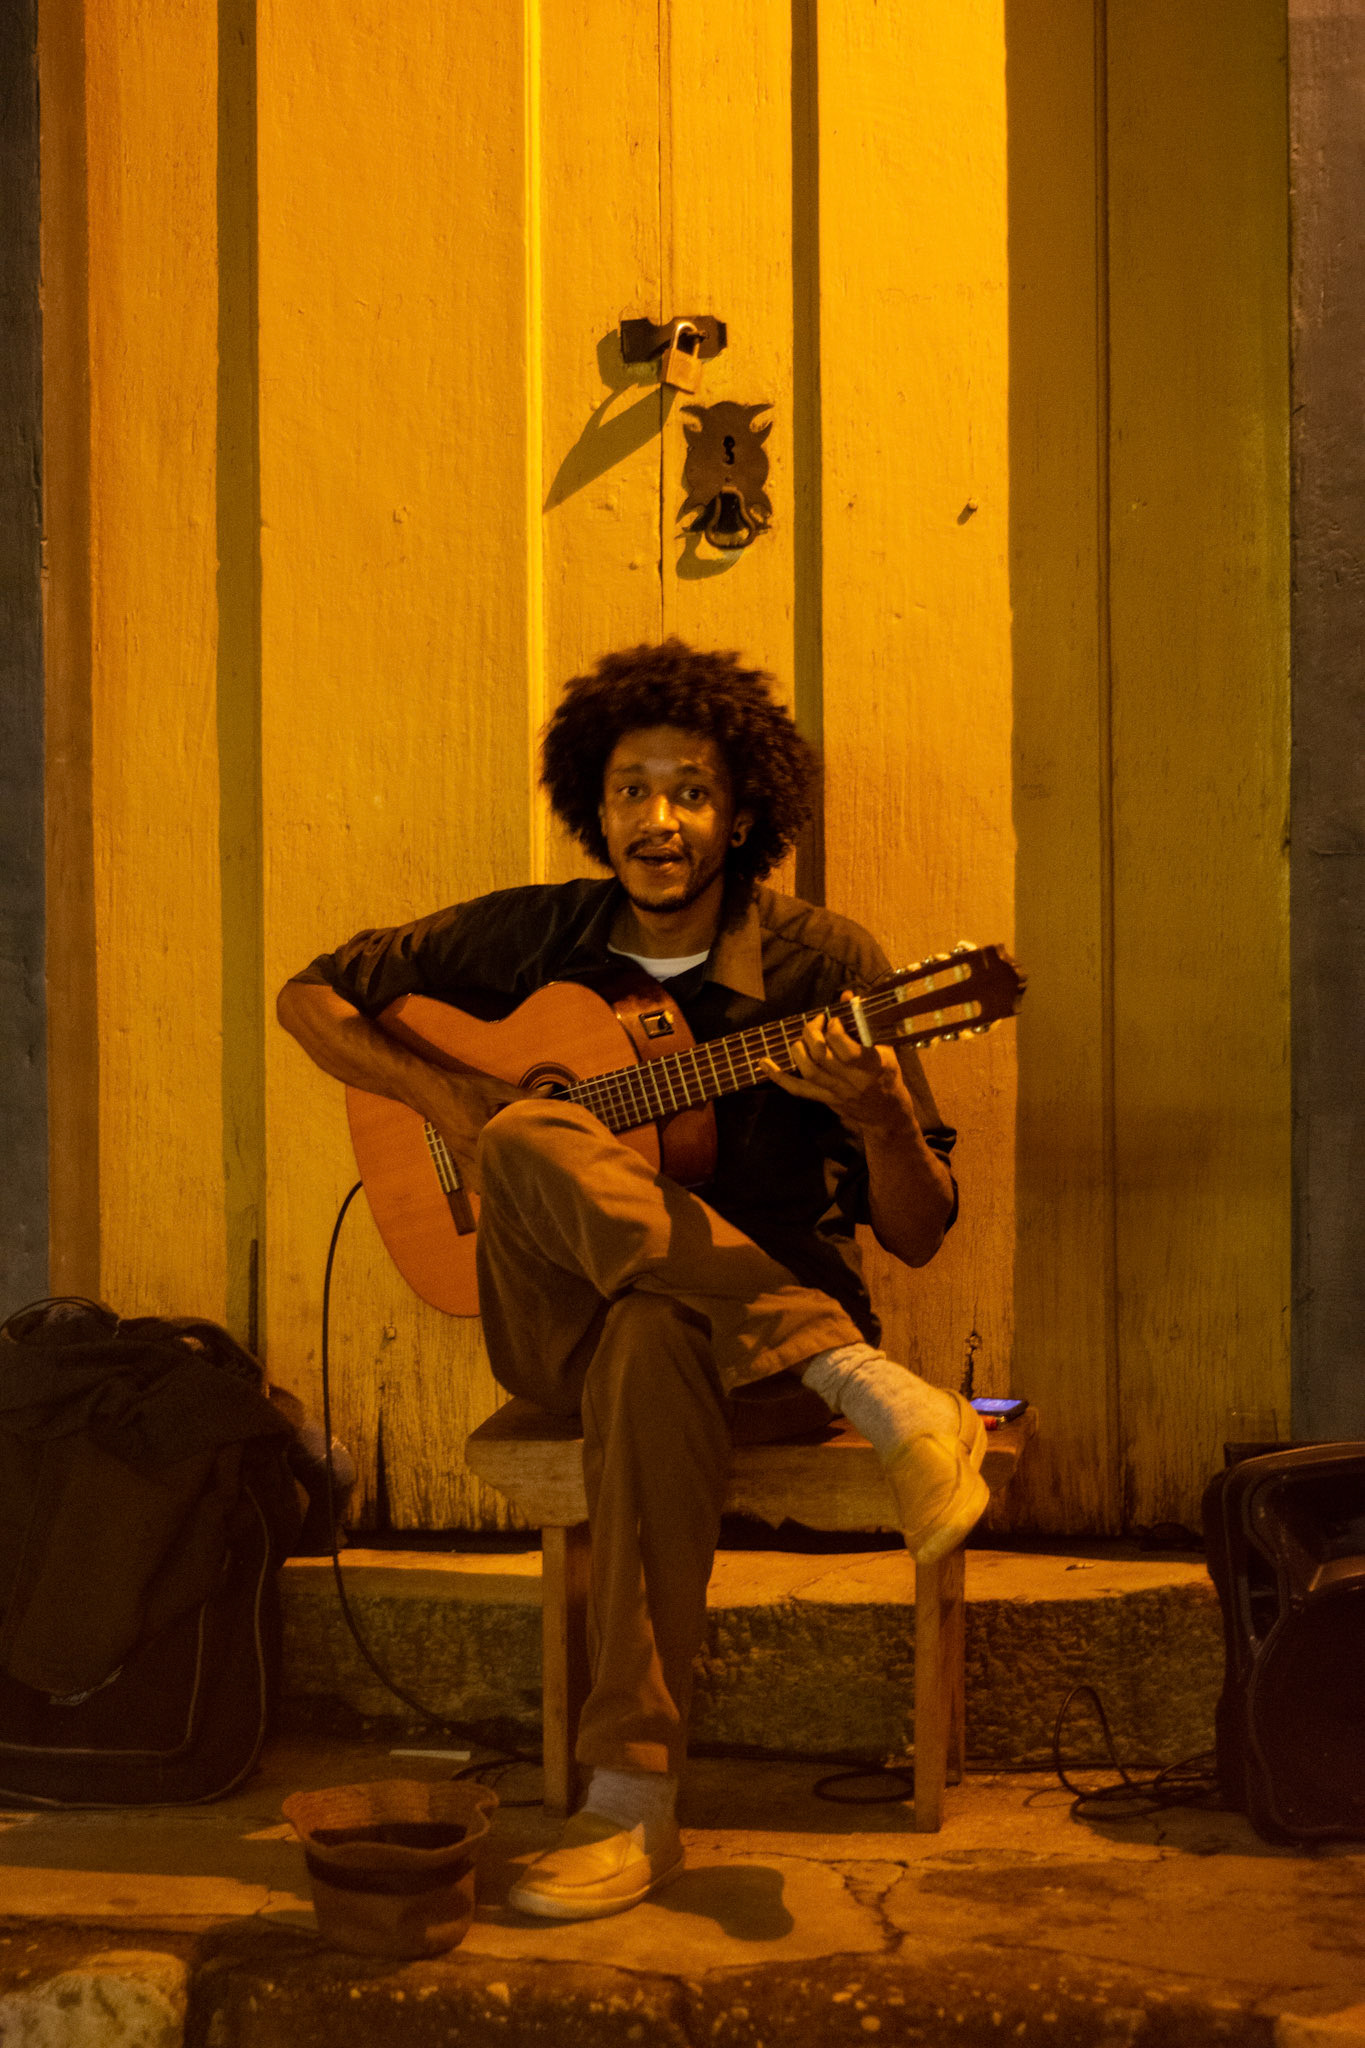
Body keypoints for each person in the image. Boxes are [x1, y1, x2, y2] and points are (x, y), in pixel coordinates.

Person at [276, 640, 985, 1920]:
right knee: (531, 1131)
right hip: (554, 1321)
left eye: (691, 790)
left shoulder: (826, 965)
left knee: (656, 1331)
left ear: (744, 811)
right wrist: (457, 1098)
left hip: (723, 1365)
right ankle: (864, 1378)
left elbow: (923, 1228)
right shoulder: (538, 932)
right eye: (631, 790)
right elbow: (309, 996)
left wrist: (879, 1113)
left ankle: (631, 1804)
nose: (658, 819)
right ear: (595, 807)